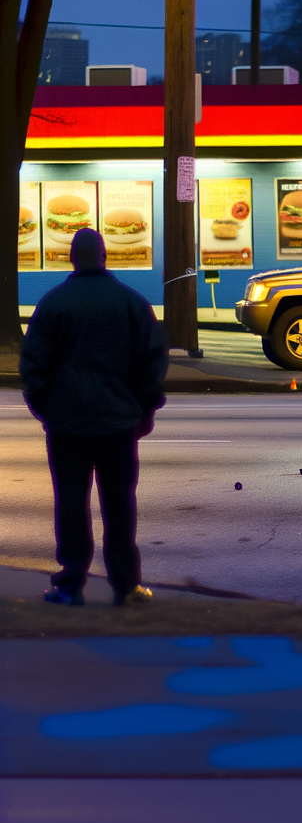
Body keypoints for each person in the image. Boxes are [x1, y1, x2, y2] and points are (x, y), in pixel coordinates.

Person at [20, 228, 168, 606]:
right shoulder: (132, 303)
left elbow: (34, 366)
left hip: (67, 423)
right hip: (118, 422)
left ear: (72, 258)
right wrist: (145, 409)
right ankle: (127, 585)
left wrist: (45, 409)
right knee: (119, 504)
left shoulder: (53, 304)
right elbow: (152, 362)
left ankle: (70, 583)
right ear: (105, 256)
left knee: (70, 503)